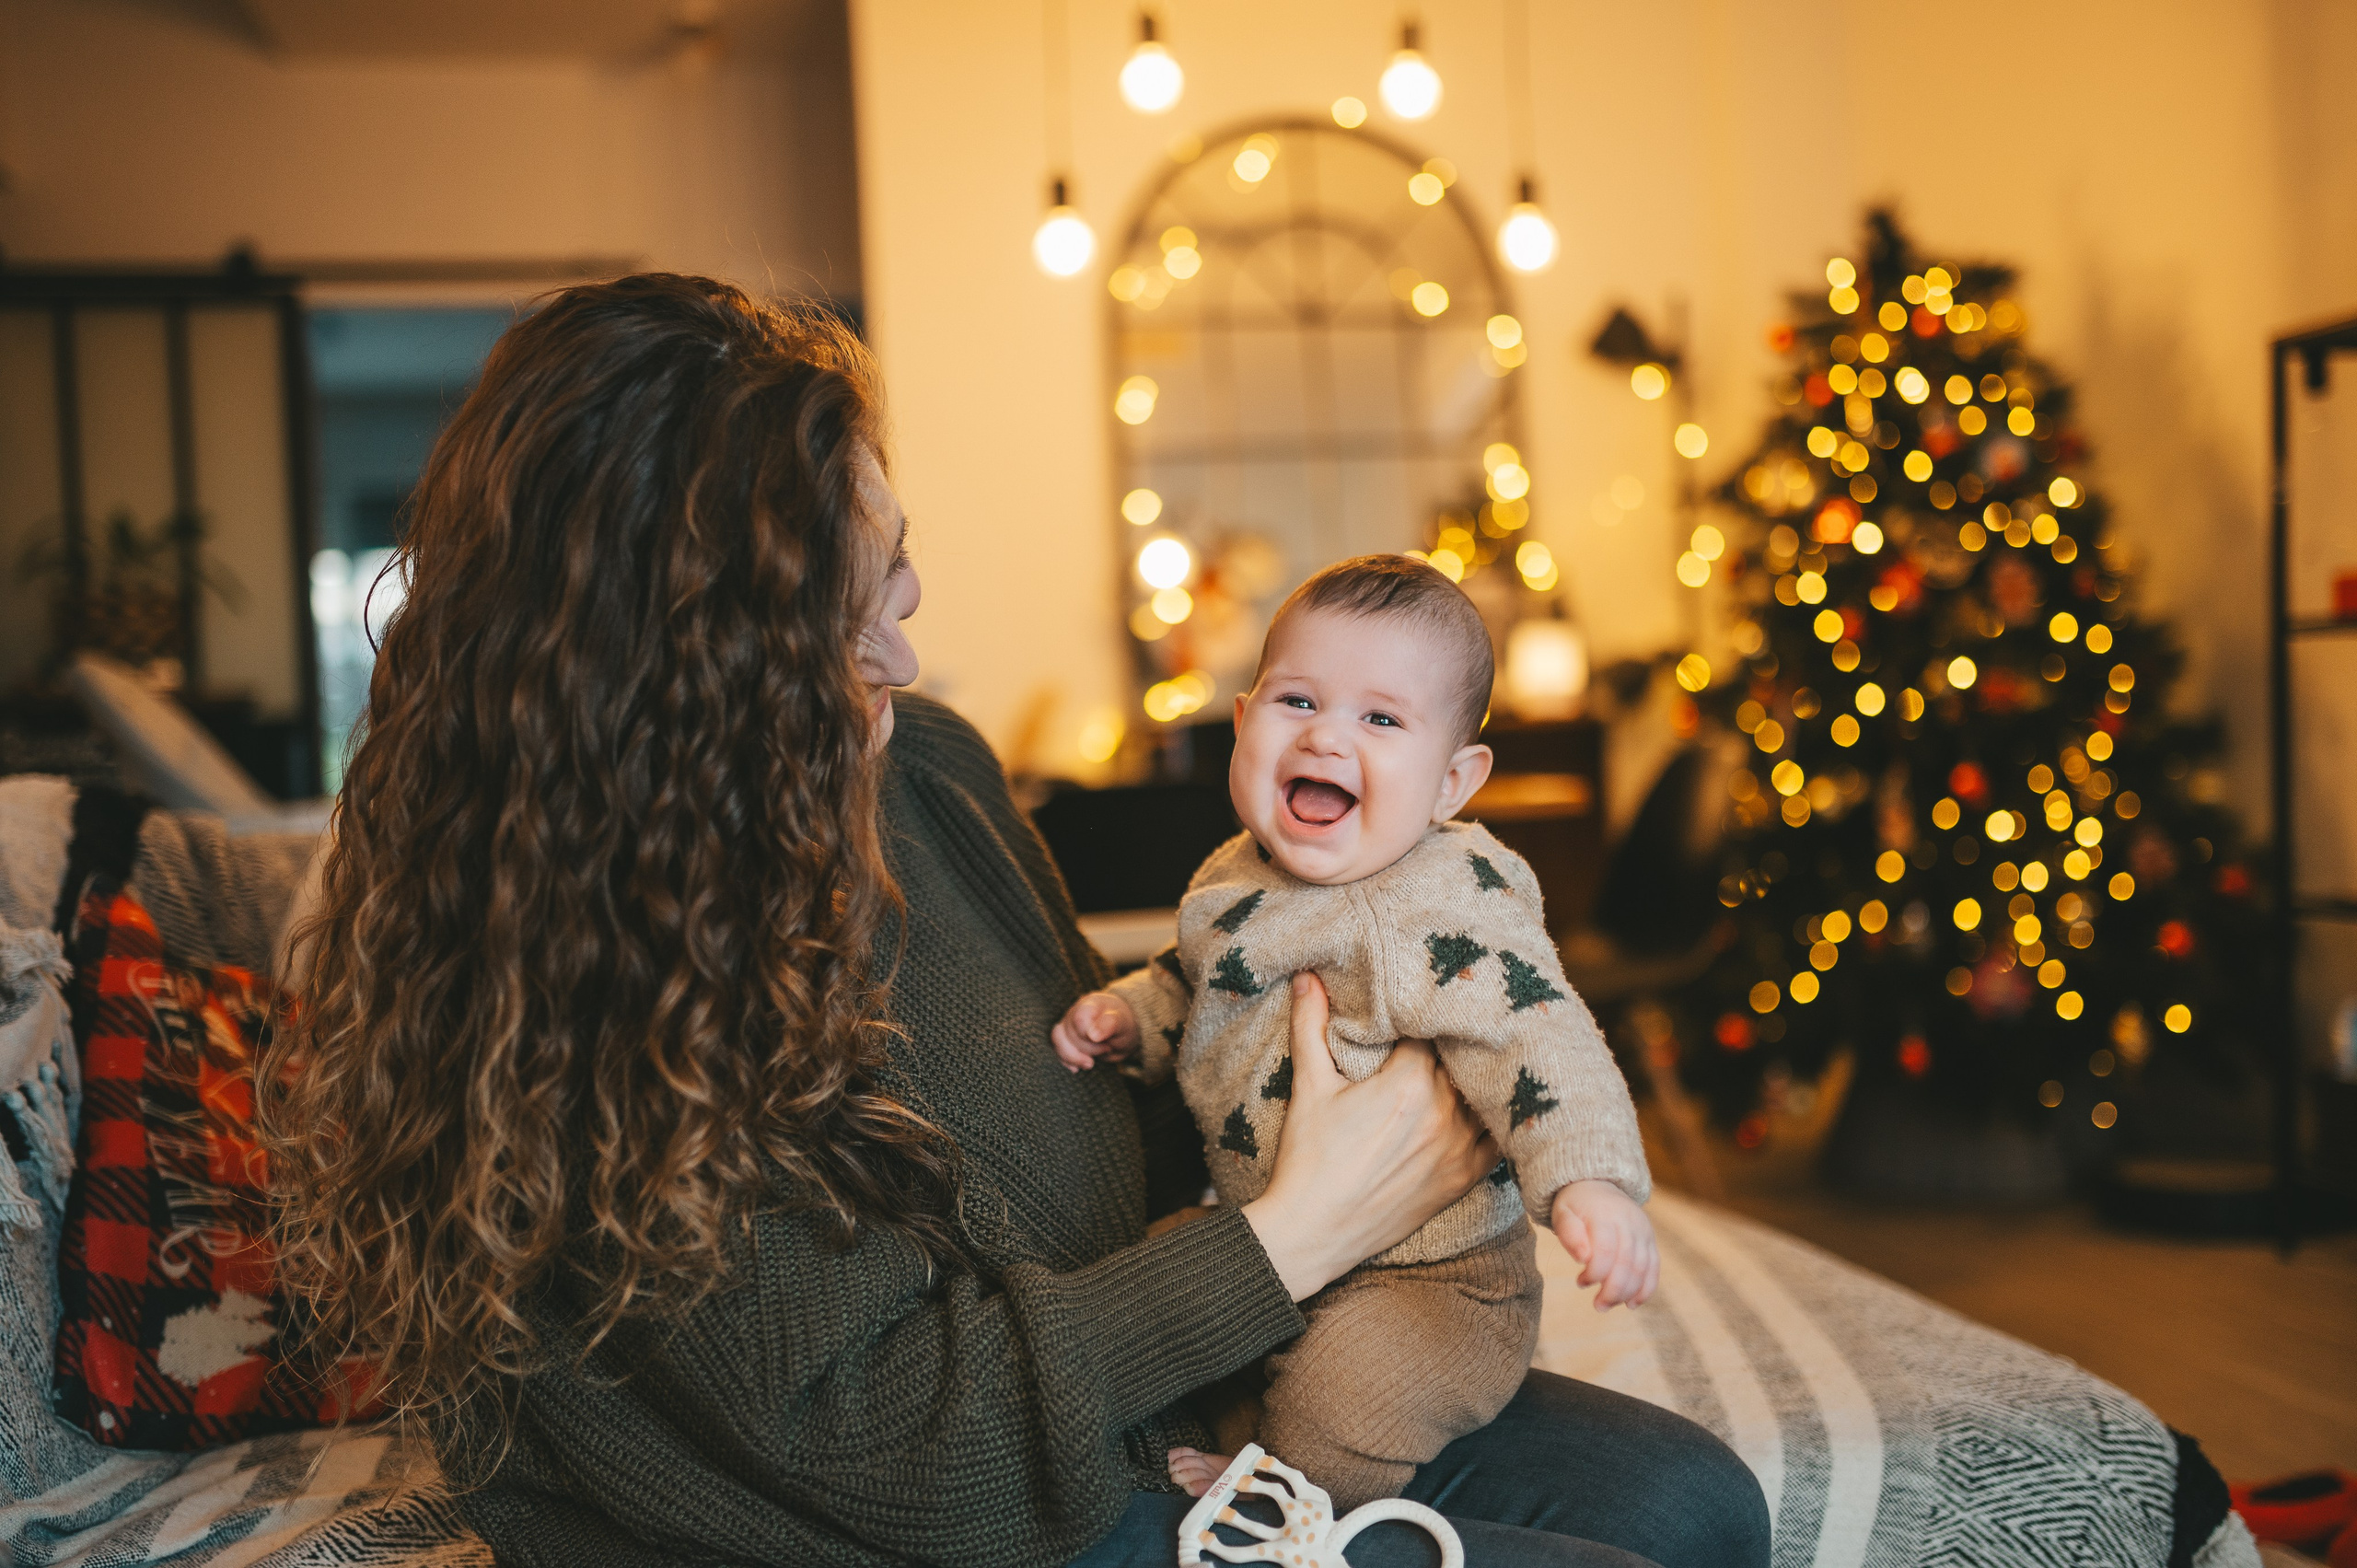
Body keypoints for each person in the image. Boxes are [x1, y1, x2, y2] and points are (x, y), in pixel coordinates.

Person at [263, 273, 1770, 1568]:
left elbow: (1094, 1087)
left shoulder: (921, 767)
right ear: (677, 671)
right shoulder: (581, 990)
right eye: (841, 623)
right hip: (910, 1509)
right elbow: (891, 1437)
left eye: (897, 567)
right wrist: (1302, 1228)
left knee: (1700, 1507)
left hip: (1121, 1388)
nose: (902, 649)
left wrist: (1349, 1120)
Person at [1051, 556, 1652, 1510]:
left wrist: (1591, 1177)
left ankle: (1288, 1490)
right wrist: (1132, 1012)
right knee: (1151, 1270)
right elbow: (1195, 974)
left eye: (1380, 718)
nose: (1328, 734)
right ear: (1243, 725)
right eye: (1297, 700)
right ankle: (1237, 1432)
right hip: (1280, 1246)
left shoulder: (1442, 898)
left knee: (1348, 1391)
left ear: (1452, 779)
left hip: (1432, 1283)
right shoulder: (1232, 872)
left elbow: (1541, 1034)